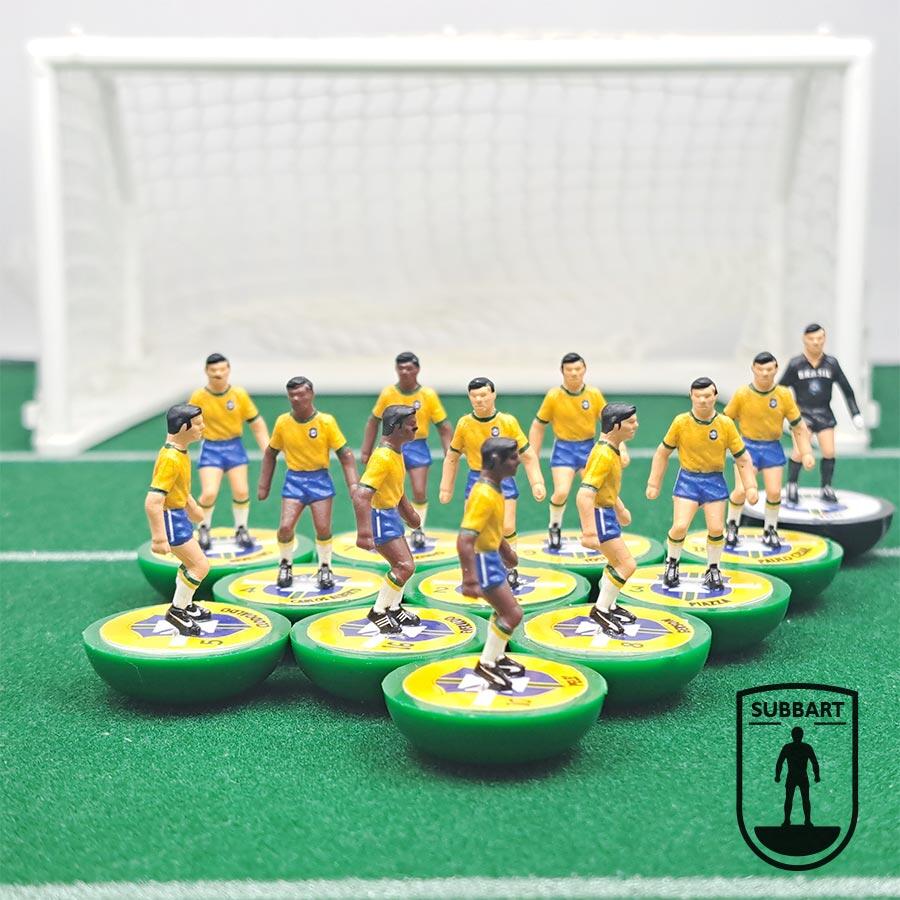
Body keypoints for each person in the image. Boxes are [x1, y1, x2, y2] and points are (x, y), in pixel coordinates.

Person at [646, 378, 758, 590]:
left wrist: (750, 486)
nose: (703, 400)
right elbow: (662, 452)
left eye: (707, 396)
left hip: (714, 481)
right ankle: (672, 563)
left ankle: (713, 568)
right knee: (680, 526)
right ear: (691, 396)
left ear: (715, 396)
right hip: (688, 480)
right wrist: (654, 482)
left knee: (716, 528)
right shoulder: (681, 422)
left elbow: (742, 458)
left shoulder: (725, 424)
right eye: (698, 396)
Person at [440, 377, 546, 589]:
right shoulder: (464, 424)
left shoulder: (507, 422)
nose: (479, 400)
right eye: (474, 396)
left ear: (493, 394)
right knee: (474, 528)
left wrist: (537, 481)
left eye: (483, 395)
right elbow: (452, 456)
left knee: (507, 526)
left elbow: (527, 455)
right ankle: (478, 569)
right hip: (476, 479)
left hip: (503, 478)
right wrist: (446, 487)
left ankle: (510, 568)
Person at [258, 377, 358, 590]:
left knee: (323, 528)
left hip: (319, 480)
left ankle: (325, 566)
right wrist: (264, 485)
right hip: (294, 480)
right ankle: (285, 563)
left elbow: (345, 454)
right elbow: (270, 453)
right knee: (285, 527)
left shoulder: (326, 422)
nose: (296, 399)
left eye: (301, 394)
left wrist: (353, 484)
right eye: (292, 395)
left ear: (311, 394)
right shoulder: (283, 422)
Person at [530, 353, 629, 550]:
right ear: (562, 371)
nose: (574, 373)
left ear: (584, 369)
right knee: (561, 492)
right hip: (564, 449)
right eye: (569, 369)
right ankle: (555, 526)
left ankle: (598, 529)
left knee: (598, 491)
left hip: (588, 449)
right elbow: (538, 425)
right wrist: (533, 453)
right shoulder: (554, 396)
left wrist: (622, 448)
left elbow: (611, 422)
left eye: (578, 369)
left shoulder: (593, 394)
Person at [360, 352, 452, 549]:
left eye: (409, 368)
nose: (405, 372)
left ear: (417, 370)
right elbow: (373, 421)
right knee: (387, 489)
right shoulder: (388, 393)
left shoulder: (427, 395)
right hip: (392, 446)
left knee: (419, 490)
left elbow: (443, 426)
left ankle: (418, 529)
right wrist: (366, 449)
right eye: (401, 368)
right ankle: (383, 527)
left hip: (417, 445)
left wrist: (449, 453)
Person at [724, 352, 815, 549]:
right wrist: (728, 444)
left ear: (776, 369)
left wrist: (806, 451)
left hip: (772, 447)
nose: (765, 373)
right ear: (753, 369)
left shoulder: (783, 395)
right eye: (760, 369)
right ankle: (732, 525)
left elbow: (798, 425)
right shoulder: (742, 394)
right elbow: (725, 421)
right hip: (747, 448)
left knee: (774, 492)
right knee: (742, 490)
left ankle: (770, 529)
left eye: (769, 369)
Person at [457, 437, 527, 691]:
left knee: (502, 610)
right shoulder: (484, 494)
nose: (518, 461)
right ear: (496, 460)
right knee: (512, 614)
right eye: (513, 457)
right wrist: (469, 578)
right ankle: (486, 664)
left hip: (493, 558)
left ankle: (496, 656)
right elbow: (465, 539)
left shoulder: (495, 489)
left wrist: (507, 553)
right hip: (484, 562)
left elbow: (492, 530)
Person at [188, 353, 269, 550]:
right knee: (209, 493)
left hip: (234, 447)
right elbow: (188, 423)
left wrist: (267, 449)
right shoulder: (199, 396)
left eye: (222, 369)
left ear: (229, 370)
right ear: (206, 371)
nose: (218, 373)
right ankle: (203, 527)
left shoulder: (239, 394)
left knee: (241, 491)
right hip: (211, 448)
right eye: (214, 370)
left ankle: (241, 528)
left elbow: (256, 423)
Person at [352, 405, 422, 633]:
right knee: (404, 566)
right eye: (411, 424)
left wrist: (409, 514)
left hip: (391, 515)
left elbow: (396, 489)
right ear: (396, 427)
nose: (416, 427)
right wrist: (364, 533)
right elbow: (361, 495)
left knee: (403, 566)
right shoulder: (382, 457)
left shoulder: (395, 453)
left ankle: (394, 607)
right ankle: (379, 611)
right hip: (380, 517)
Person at [144, 404, 211, 636]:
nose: (203, 427)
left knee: (190, 563)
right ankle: (177, 611)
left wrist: (192, 508)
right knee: (199, 565)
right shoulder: (171, 458)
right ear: (184, 427)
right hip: (171, 518)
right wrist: (159, 538)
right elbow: (153, 501)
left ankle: (185, 603)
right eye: (199, 424)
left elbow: (179, 488)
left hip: (179, 515)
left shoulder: (180, 453)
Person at [779, 324, 865, 503]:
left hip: (824, 413)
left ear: (824, 339)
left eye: (819, 338)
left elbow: (847, 390)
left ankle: (826, 486)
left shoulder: (831, 363)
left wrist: (855, 413)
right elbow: (780, 389)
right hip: (803, 415)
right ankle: (792, 484)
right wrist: (786, 411)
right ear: (805, 340)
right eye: (812, 339)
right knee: (799, 451)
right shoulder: (796, 364)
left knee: (829, 451)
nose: (816, 342)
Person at [576, 403, 640, 636]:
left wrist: (620, 509)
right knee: (626, 564)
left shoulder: (611, 450)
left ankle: (609, 605)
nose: (636, 425)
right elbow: (584, 494)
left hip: (607, 512)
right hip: (600, 515)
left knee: (615, 562)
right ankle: (601, 610)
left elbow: (607, 488)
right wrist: (589, 531)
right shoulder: (604, 454)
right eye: (631, 422)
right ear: (616, 425)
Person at [775, 727, 821, 827]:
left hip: (793, 776)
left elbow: (779, 762)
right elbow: (814, 763)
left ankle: (788, 820)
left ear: (792, 735)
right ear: (802, 736)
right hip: (801, 776)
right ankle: (806, 821)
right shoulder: (806, 747)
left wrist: (777, 775)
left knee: (790, 799)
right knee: (804, 799)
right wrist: (817, 775)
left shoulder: (788, 747)